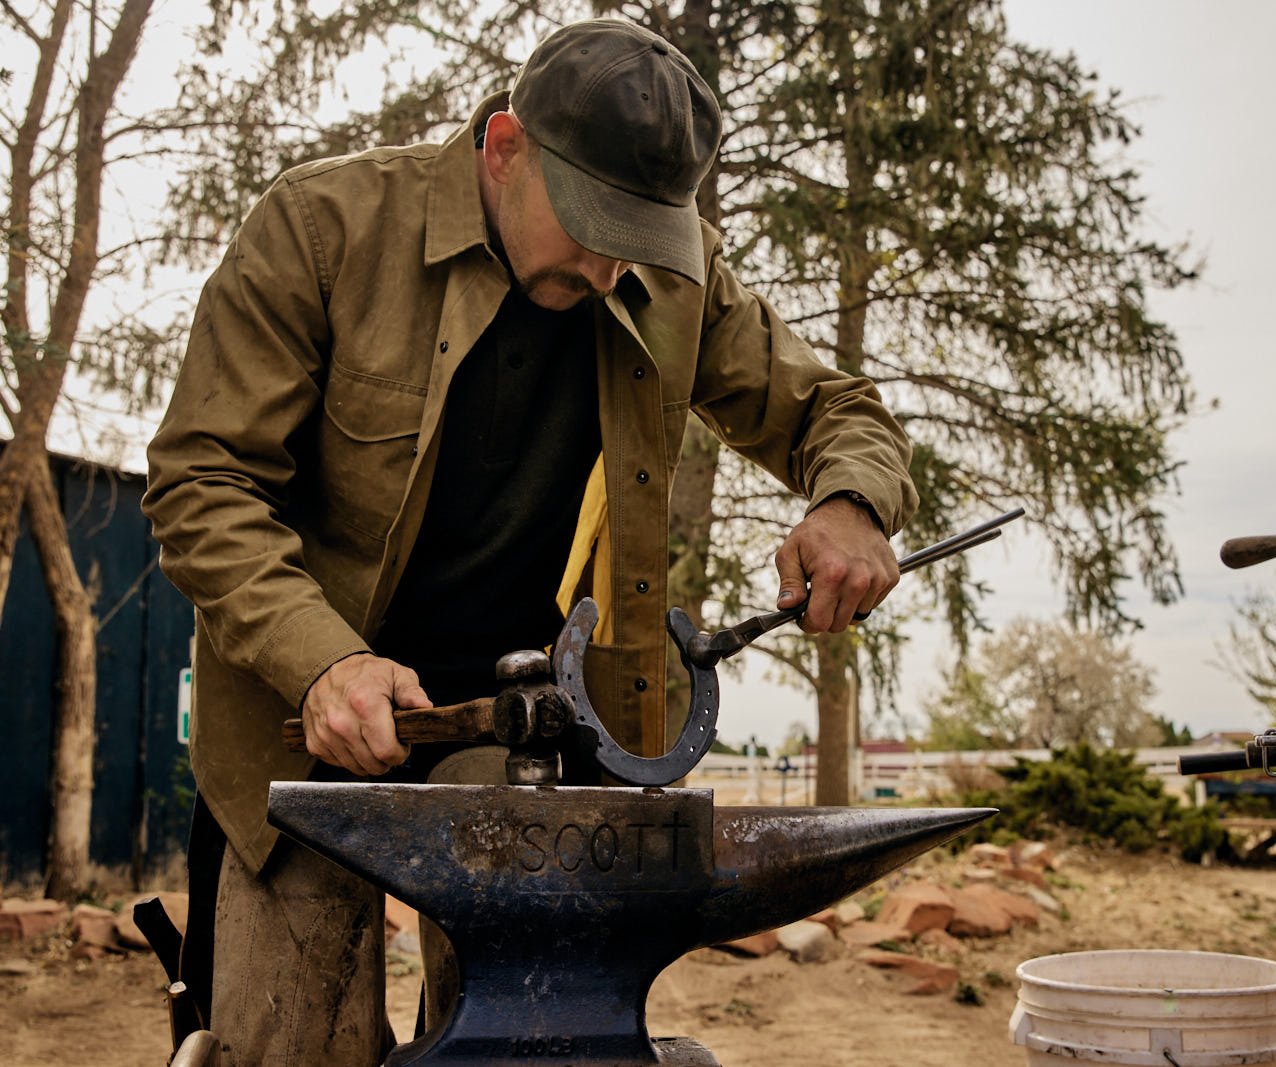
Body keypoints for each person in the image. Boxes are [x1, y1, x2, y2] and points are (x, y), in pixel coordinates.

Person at [142, 18, 917, 1065]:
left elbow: (835, 409)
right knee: (292, 1042)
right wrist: (320, 661)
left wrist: (852, 503)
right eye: (592, 223)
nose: (609, 269)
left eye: (638, 234)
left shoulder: (668, 277)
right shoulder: (323, 227)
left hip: (525, 737)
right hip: (306, 722)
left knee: (531, 1039)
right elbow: (203, 480)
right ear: (504, 147)